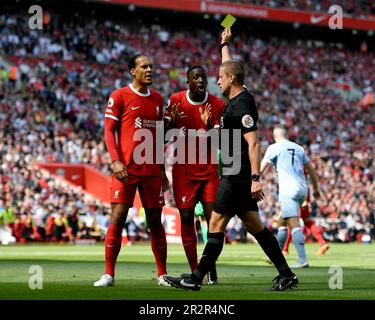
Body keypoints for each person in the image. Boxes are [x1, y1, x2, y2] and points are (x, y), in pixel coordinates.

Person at [163, 28, 298, 291]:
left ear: (231, 79)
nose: (217, 80)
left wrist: (255, 179)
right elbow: (230, 68)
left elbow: (254, 142)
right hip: (236, 172)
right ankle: (286, 273)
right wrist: (225, 45)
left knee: (216, 222)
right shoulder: (237, 96)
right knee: (254, 225)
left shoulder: (242, 104)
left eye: (221, 77)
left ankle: (196, 277)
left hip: (237, 174)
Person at [94, 54, 170, 287]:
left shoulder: (157, 99)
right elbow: (108, 131)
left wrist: (162, 169)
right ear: (132, 71)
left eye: (151, 66)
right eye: (144, 66)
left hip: (151, 171)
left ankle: (162, 275)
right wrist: (116, 161)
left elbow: (158, 137)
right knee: (118, 217)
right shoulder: (119, 96)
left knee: (155, 221)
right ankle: (109, 274)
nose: (149, 70)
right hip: (125, 169)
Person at [164, 65, 225, 284]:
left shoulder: (217, 104)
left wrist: (209, 126)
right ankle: (195, 270)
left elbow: (222, 142)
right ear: (188, 82)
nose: (200, 80)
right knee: (187, 218)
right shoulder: (176, 100)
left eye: (203, 77)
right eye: (195, 77)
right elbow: (163, 136)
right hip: (184, 172)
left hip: (209, 171)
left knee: (214, 223)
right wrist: (170, 126)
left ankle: (210, 267)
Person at [260, 124, 322, 268]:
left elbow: (261, 169)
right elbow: (311, 169)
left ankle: (303, 260)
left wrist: (252, 180)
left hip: (288, 189)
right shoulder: (299, 148)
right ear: (287, 135)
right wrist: (316, 189)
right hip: (302, 190)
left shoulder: (274, 148)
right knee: (282, 221)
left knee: (294, 224)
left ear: (275, 136)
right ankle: (277, 255)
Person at [281, 175, 329, 256]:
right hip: (304, 192)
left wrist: (303, 199)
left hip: (297, 195)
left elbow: (299, 176)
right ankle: (322, 243)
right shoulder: (302, 163)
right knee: (307, 222)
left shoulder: (296, 163)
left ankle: (285, 249)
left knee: (291, 223)